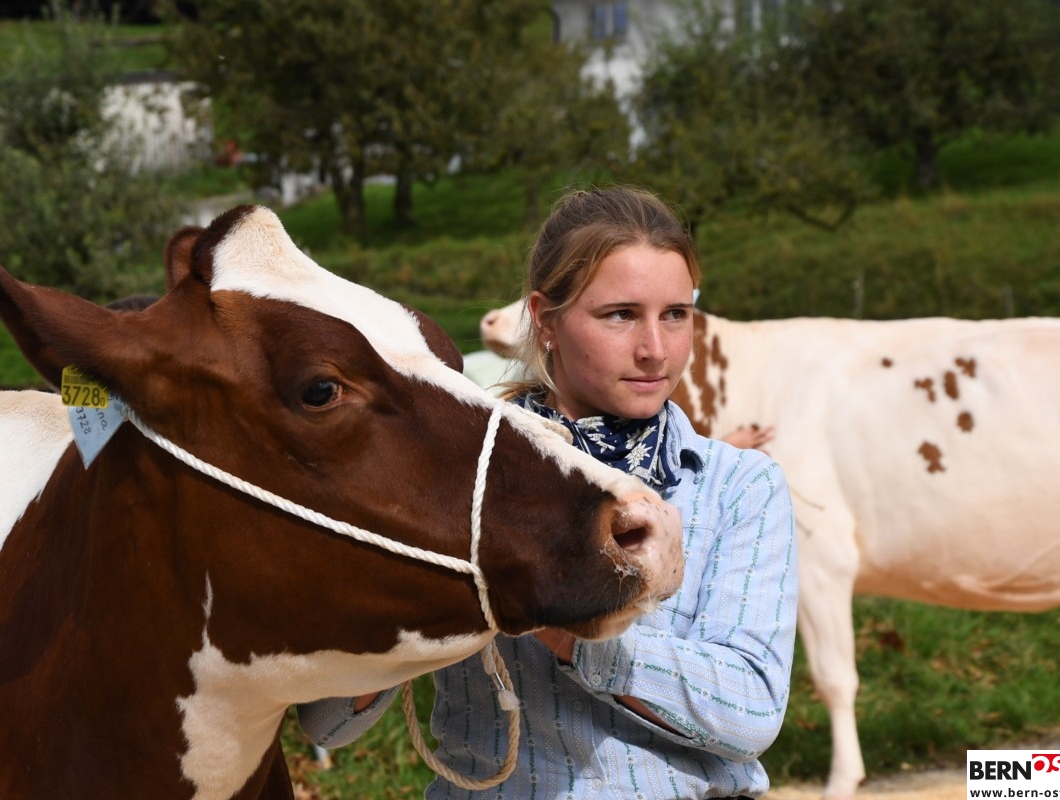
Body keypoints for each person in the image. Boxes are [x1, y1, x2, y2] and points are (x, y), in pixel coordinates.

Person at [298, 186, 799, 799]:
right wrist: (421, 586)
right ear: (544, 319)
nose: (655, 349)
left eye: (675, 314)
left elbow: (751, 713)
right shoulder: (461, 477)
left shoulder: (738, 485)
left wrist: (555, 613)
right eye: (620, 315)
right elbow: (329, 724)